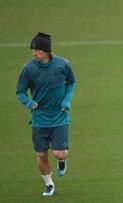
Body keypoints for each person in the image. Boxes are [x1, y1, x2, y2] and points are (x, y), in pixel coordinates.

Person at [16, 32, 76, 197]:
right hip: (39, 118)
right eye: (33, 49)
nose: (34, 53)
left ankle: (61, 161)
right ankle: (49, 184)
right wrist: (29, 103)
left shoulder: (62, 65)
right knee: (41, 154)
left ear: (47, 51)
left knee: (59, 153)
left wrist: (66, 101)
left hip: (59, 116)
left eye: (38, 50)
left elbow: (71, 83)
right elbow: (20, 92)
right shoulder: (28, 69)